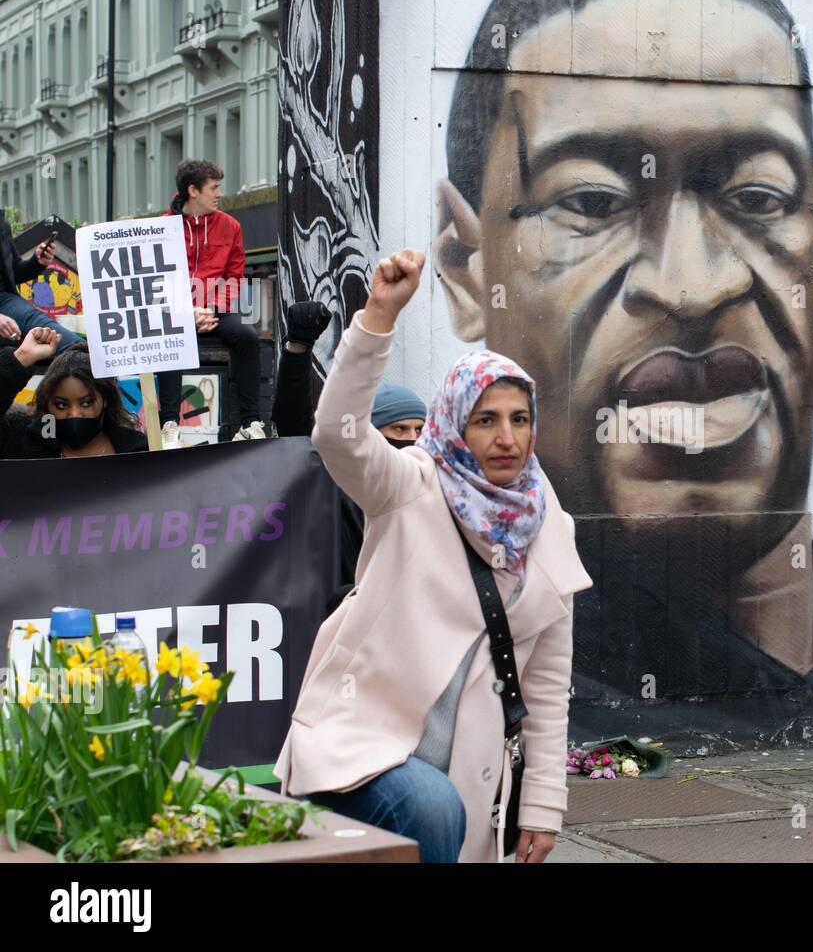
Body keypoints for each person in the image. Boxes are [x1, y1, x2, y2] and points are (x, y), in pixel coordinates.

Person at [431, 0, 813, 736]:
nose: (693, 286)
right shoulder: (471, 654)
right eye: (590, 199)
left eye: (757, 196)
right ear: (463, 266)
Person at [274, 248, 593, 863]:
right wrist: (378, 317)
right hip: (365, 748)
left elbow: (548, 682)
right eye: (486, 420)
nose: (507, 438)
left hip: (471, 769)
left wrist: (543, 807)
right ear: (452, 424)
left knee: (443, 811)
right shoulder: (411, 485)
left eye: (520, 419)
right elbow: (337, 434)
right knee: (430, 807)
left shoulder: (549, 527)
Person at [271, 299, 427, 600]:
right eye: (399, 429)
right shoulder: (338, 479)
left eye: (418, 430)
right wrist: (298, 348)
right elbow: (296, 430)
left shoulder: (429, 481)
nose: (411, 439)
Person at [156, 159, 265, 448]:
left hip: (215, 308)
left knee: (247, 336)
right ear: (193, 190)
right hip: (177, 310)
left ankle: (250, 424)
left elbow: (235, 276)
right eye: (214, 188)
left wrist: (210, 309)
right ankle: (169, 425)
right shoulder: (162, 228)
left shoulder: (230, 226)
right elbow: (156, 279)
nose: (219, 194)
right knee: (171, 338)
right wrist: (186, 311)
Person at [0, 328, 146, 459]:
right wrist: (22, 357)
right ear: (47, 403)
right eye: (61, 405)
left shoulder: (137, 451)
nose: (75, 414)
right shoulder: (22, 441)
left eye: (86, 403)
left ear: (105, 399)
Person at [0, 216, 79, 351]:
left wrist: (37, 262)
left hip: (7, 300)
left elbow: (14, 272)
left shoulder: (2, 223)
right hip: (7, 303)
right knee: (38, 323)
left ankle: (88, 356)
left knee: (44, 328)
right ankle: (87, 355)